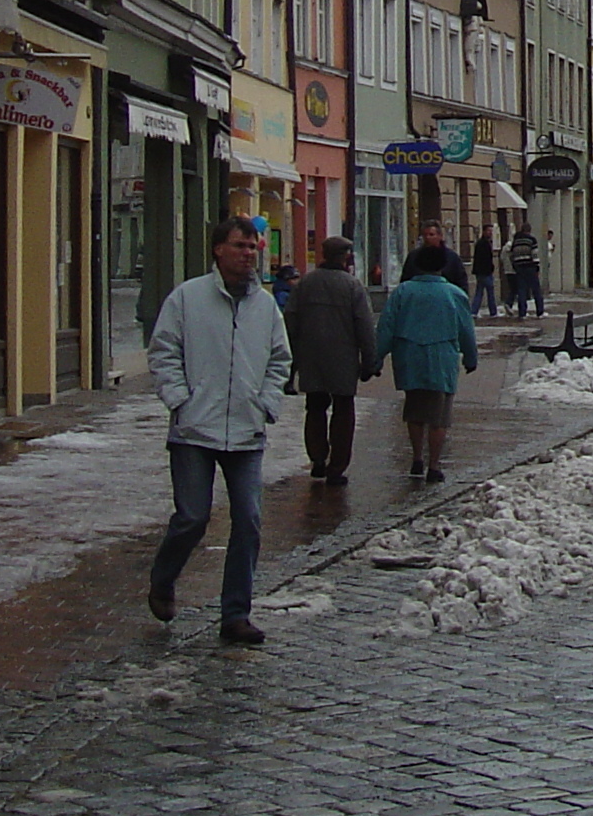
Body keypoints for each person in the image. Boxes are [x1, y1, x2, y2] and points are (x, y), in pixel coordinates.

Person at [145, 217, 292, 645]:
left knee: (248, 519)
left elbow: (280, 359)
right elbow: (163, 350)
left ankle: (236, 613)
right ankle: (163, 578)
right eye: (241, 245)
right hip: (195, 428)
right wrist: (179, 399)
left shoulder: (265, 306)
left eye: (253, 246)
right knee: (192, 517)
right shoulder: (188, 299)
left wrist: (267, 401)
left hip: (246, 431)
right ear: (218, 250)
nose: (249, 253)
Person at [374, 242, 479, 484]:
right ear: (442, 266)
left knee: (414, 410)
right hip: (442, 358)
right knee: (439, 416)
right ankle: (434, 465)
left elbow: (386, 328)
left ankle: (416, 458)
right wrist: (471, 358)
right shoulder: (454, 295)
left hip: (409, 356)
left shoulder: (402, 292)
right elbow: (466, 331)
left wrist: (377, 357)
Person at [287, 237, 377, 484]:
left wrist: (294, 357)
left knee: (315, 407)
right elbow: (365, 326)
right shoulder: (352, 286)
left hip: (311, 356)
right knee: (343, 410)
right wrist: (369, 361)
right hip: (343, 357)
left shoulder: (305, 284)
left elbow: (291, 320)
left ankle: (317, 458)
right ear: (345, 256)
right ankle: (337, 466)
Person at [508, 227, 545, 317]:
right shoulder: (531, 240)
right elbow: (534, 254)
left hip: (519, 268)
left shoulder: (516, 242)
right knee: (536, 290)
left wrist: (515, 265)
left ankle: (522, 312)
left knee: (521, 290)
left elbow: (511, 255)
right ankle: (540, 311)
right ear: (529, 231)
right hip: (530, 267)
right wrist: (537, 267)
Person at [469, 226, 500, 317]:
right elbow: (485, 259)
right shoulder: (484, 244)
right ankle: (493, 312)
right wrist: (490, 268)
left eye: (491, 231)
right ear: (484, 232)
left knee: (479, 292)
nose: (490, 233)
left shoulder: (481, 243)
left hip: (480, 272)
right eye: (488, 231)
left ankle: (474, 311)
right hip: (485, 272)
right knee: (490, 292)